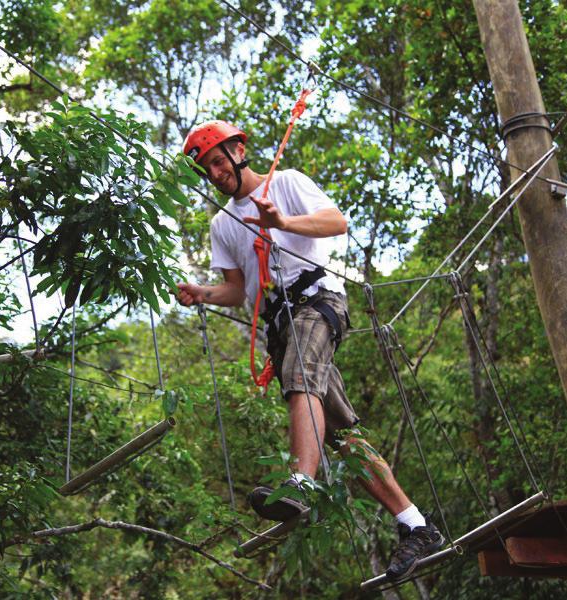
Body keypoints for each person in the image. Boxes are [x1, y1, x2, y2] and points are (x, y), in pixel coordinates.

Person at [176, 120, 444, 580]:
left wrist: (281, 221)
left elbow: (335, 222)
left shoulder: (287, 183)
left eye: (219, 161)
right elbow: (236, 291)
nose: (217, 173)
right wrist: (202, 292)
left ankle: (301, 480)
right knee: (341, 436)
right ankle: (415, 525)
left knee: (301, 374)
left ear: (239, 151)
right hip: (281, 324)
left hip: (318, 303)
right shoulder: (223, 224)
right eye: (208, 170)